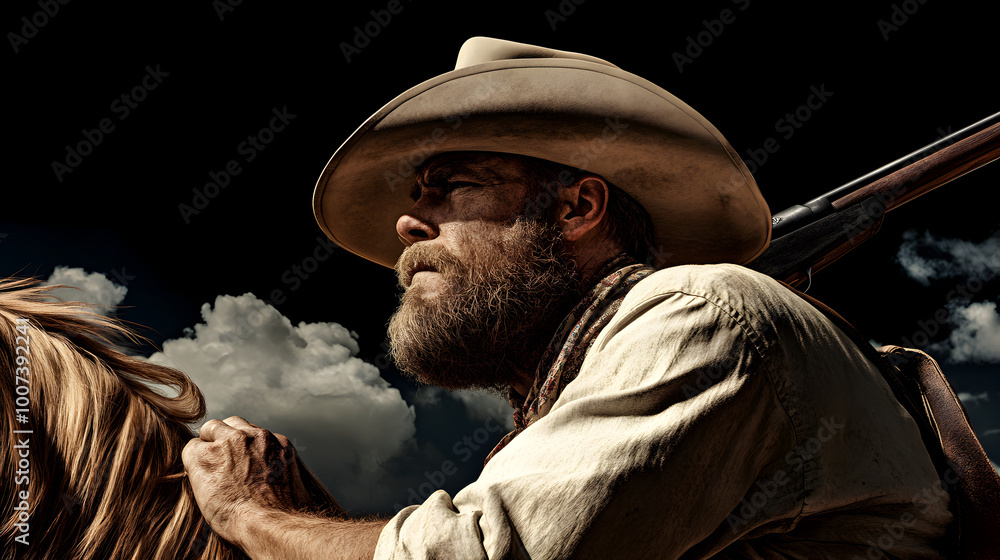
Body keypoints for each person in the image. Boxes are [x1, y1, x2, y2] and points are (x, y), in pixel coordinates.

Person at [181, 37, 953, 559]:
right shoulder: (569, 405)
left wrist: (255, 515)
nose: (408, 223)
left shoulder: (702, 309)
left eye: (451, 188)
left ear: (578, 210)